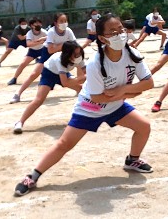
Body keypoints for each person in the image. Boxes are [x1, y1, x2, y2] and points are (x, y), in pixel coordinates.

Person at [14, 14, 154, 196]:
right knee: (64, 144)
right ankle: (32, 176)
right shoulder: (96, 62)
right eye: (113, 31)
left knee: (144, 126)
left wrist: (123, 91)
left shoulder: (133, 54)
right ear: (102, 38)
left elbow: (148, 83)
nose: (120, 34)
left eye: (120, 29)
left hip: (116, 105)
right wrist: (130, 93)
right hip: (90, 108)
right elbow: (96, 97)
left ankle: (132, 160)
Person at [13, 41, 86, 134]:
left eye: (79, 53)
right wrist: (80, 79)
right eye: (75, 54)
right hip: (49, 74)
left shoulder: (79, 58)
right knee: (39, 99)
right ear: (67, 54)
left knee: (83, 90)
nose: (78, 55)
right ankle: (20, 122)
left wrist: (84, 78)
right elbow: (65, 83)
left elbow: (86, 73)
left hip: (62, 73)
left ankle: (85, 116)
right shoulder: (59, 60)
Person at [10, 13, 76, 104]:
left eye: (65, 21)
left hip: (60, 55)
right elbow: (50, 50)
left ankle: (81, 89)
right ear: (56, 23)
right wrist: (64, 45)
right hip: (47, 54)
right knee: (34, 74)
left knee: (68, 75)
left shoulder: (68, 31)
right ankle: (18, 94)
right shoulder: (52, 31)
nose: (64, 23)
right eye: (61, 21)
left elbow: (75, 45)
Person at [7, 17, 48, 85]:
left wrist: (41, 40)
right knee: (23, 64)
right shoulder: (30, 33)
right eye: (36, 24)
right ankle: (14, 78)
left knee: (49, 63)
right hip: (33, 51)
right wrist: (39, 42)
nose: (38, 25)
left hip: (42, 50)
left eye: (39, 23)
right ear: (32, 25)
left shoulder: (44, 32)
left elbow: (50, 38)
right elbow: (28, 44)